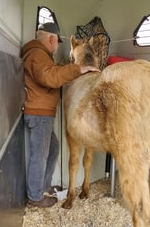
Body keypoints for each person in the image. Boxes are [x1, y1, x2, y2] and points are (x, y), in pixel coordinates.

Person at [22, 22, 100, 208]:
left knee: (53, 148)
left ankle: (43, 186)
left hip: (42, 113)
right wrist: (77, 69)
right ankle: (34, 197)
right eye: (57, 41)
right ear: (51, 38)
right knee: (39, 155)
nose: (57, 46)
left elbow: (50, 76)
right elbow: (48, 77)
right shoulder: (37, 54)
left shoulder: (40, 55)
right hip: (39, 114)